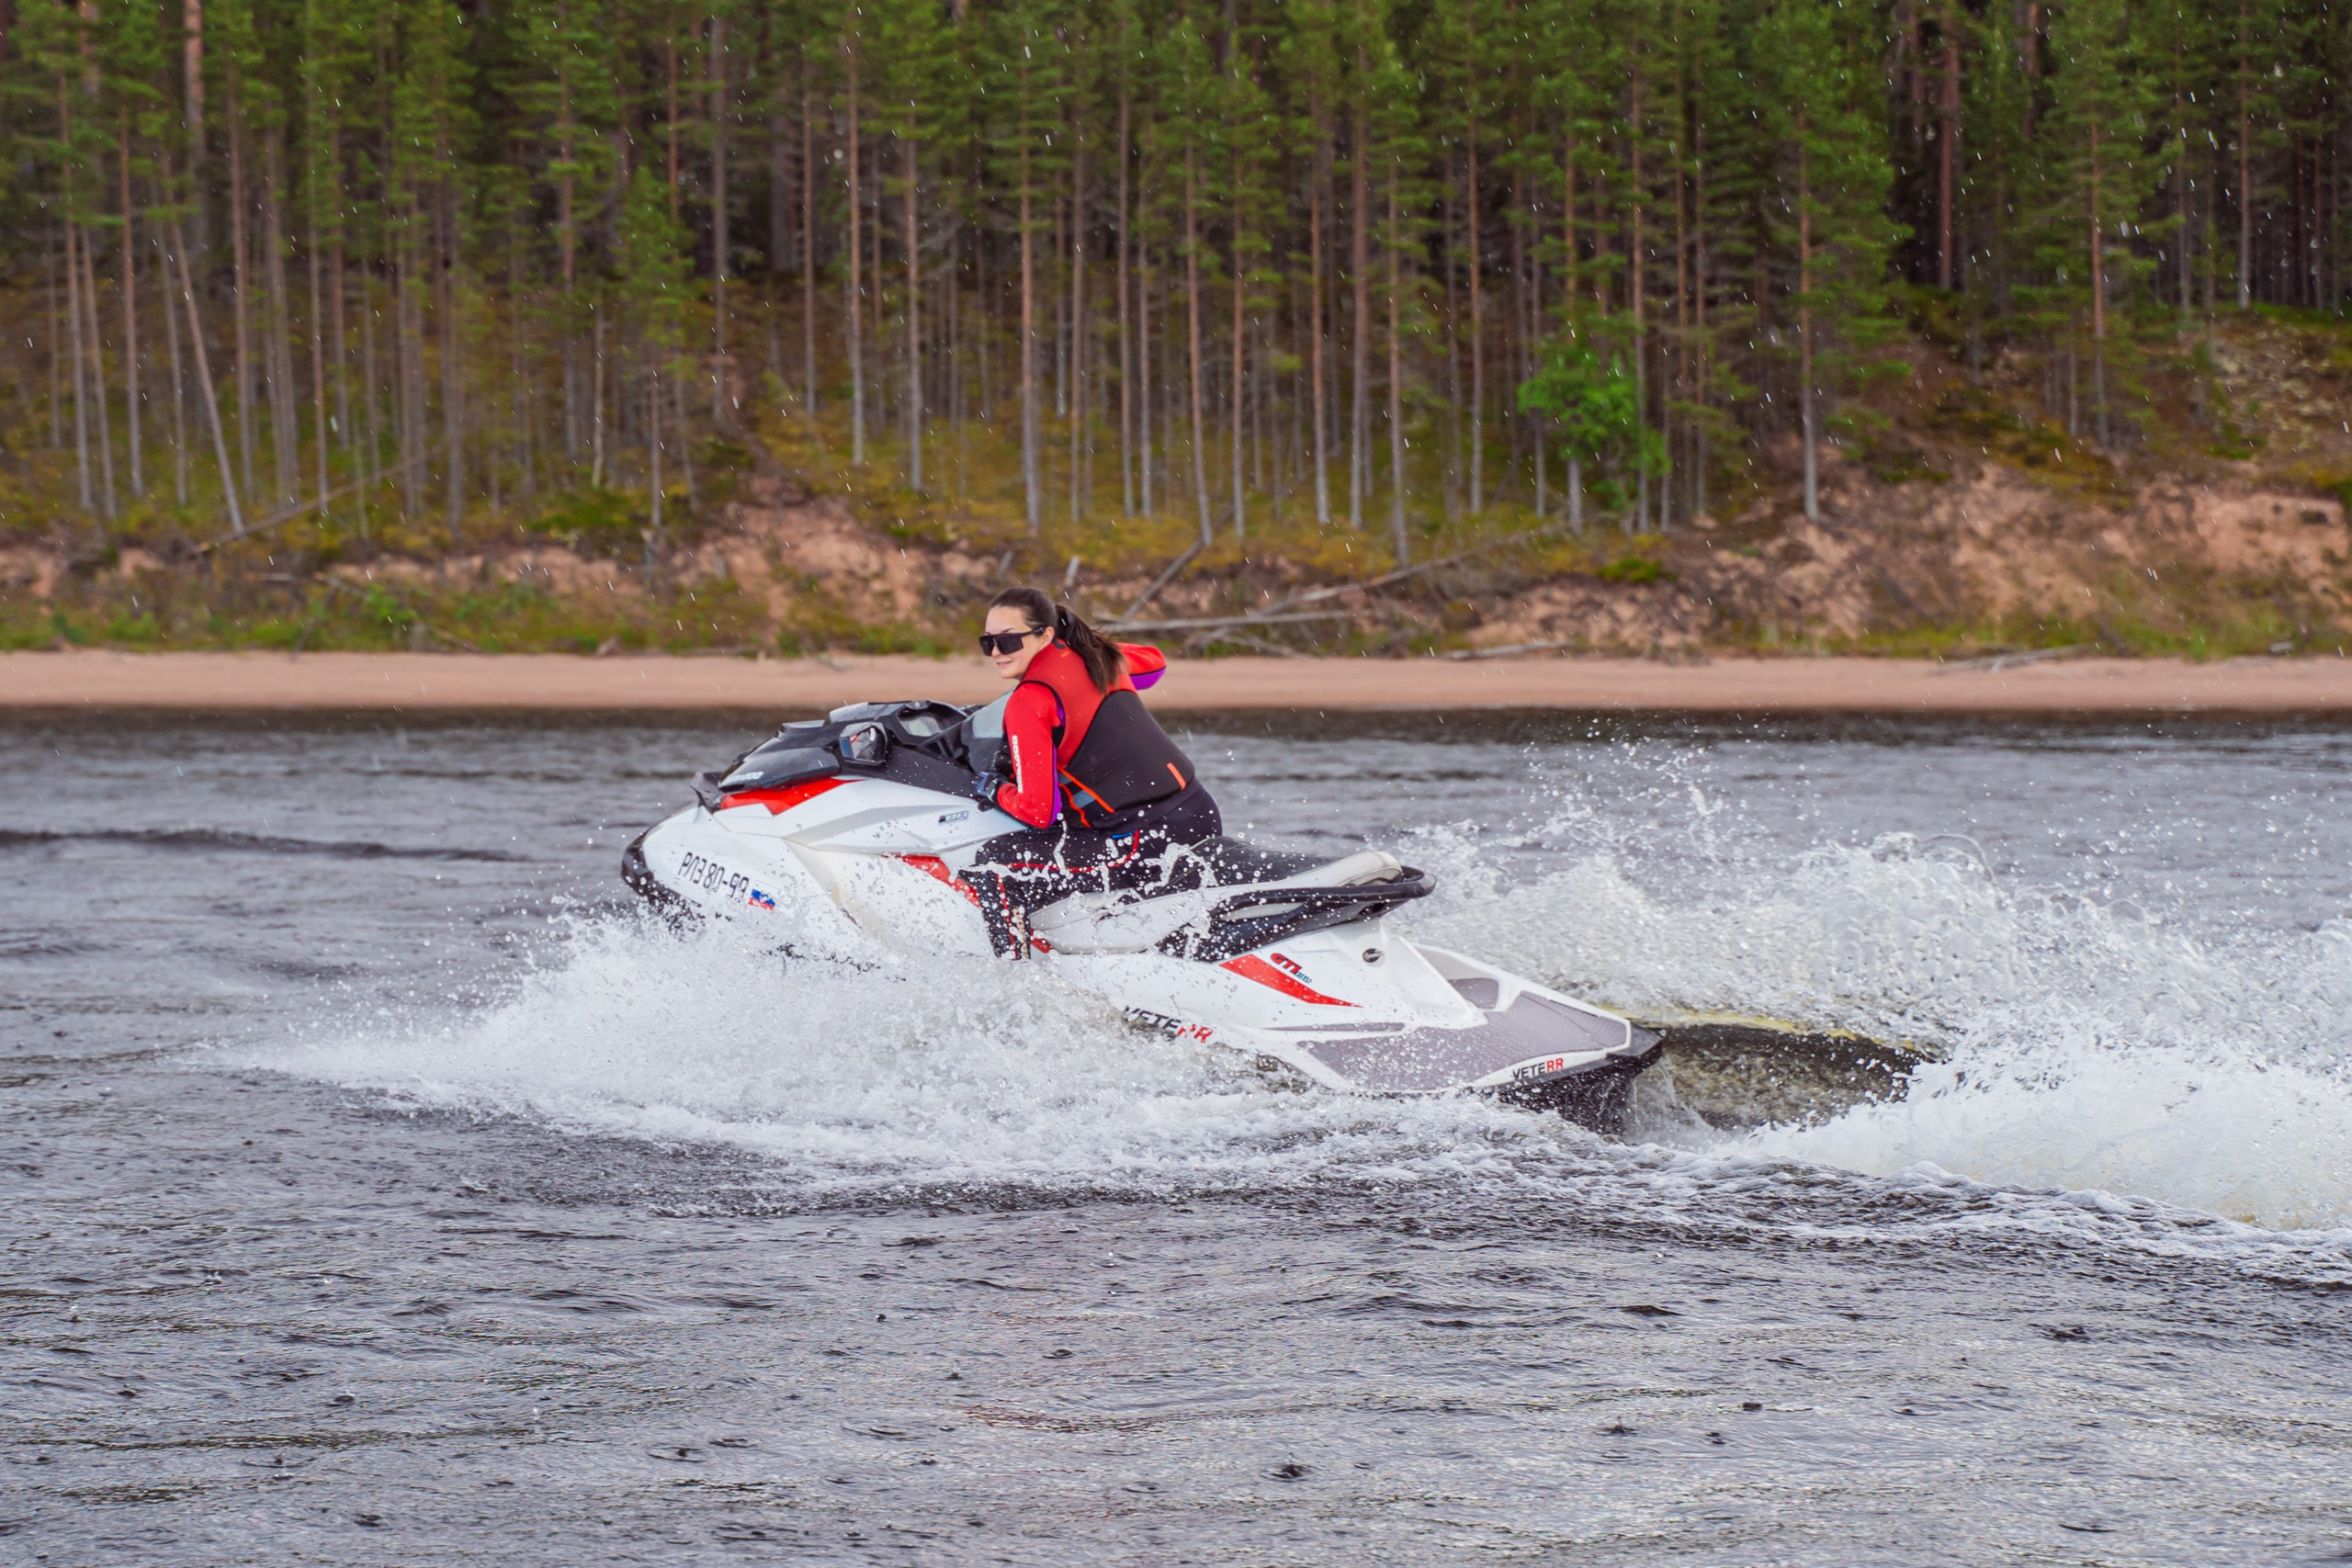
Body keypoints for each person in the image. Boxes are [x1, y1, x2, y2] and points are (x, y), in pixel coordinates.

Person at [962, 586, 1222, 956]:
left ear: (1045, 634)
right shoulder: (1098, 657)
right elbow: (1155, 663)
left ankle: (1013, 987)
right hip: (1200, 813)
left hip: (1144, 841)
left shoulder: (1031, 700)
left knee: (993, 865)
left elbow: (1039, 812)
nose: (998, 654)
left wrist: (994, 790)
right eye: (988, 643)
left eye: (1009, 641)